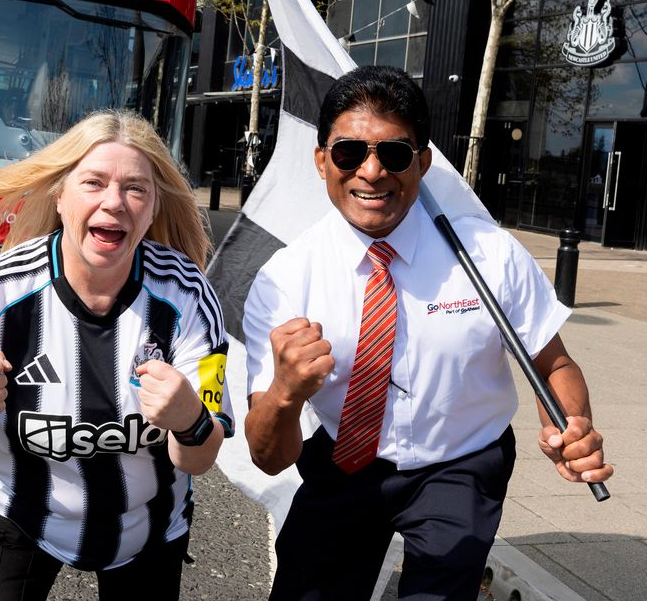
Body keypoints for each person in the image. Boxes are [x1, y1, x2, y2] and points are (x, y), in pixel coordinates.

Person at [242, 66, 613, 601]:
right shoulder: (284, 279)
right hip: (346, 460)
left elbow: (552, 364)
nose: (372, 171)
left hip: (461, 462)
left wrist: (572, 426)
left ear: (423, 162)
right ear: (322, 160)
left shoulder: (488, 254)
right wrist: (283, 393)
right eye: (349, 152)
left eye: (394, 154)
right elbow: (269, 457)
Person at [0, 110, 233, 601]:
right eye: (93, 182)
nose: (114, 202)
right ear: (60, 196)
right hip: (17, 515)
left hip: (147, 527)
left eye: (135, 188)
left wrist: (190, 419)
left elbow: (199, 458)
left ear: (153, 207)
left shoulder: (187, 295)